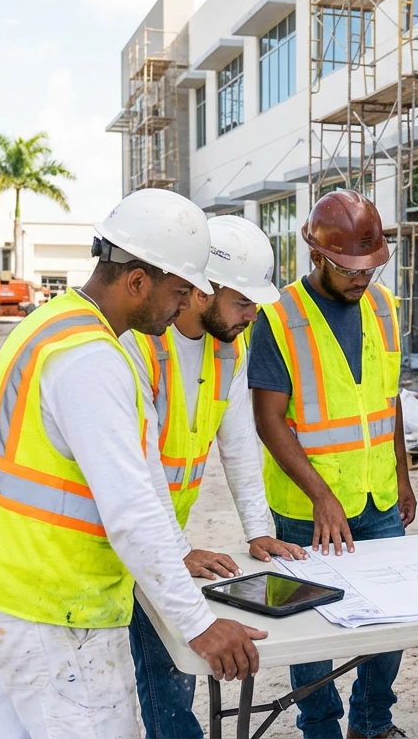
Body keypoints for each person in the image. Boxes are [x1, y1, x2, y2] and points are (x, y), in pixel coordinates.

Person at [0, 189, 267, 738]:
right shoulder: (92, 359)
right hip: (53, 605)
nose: (186, 305)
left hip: (2, 589)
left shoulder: (55, 325)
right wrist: (198, 624)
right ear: (137, 281)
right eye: (180, 289)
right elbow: (131, 509)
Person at [120, 215, 309, 739]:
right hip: (130, 526)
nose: (253, 315)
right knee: (161, 664)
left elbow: (239, 440)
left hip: (160, 530)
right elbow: (142, 465)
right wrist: (176, 550)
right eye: (243, 302)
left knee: (170, 659)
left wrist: (258, 529)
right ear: (204, 291)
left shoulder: (231, 346)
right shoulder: (141, 345)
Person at [250, 190, 415, 739]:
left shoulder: (384, 308)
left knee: (388, 623)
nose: (361, 279)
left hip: (379, 500)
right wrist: (322, 495)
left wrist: (405, 477)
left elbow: (386, 404)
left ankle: (371, 723)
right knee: (315, 632)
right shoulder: (278, 319)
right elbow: (270, 420)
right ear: (317, 254)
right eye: (349, 269)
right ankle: (319, 728)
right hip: (306, 511)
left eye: (369, 267)